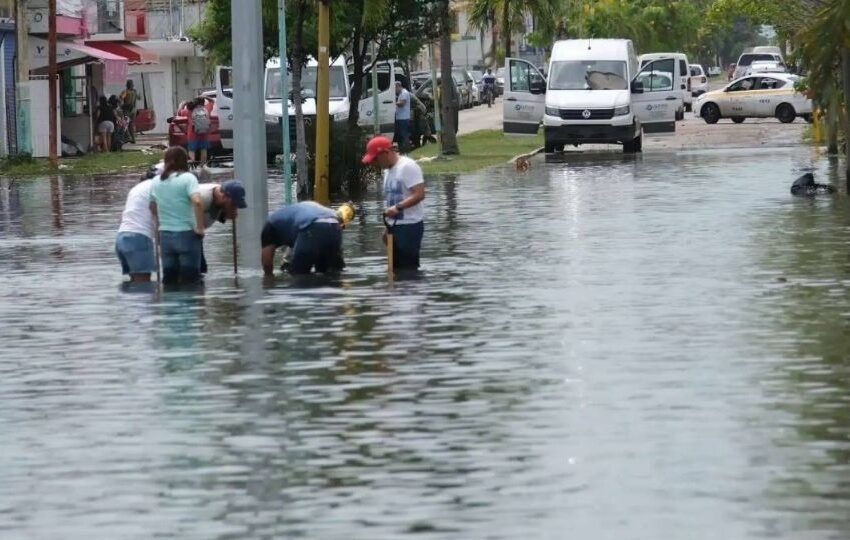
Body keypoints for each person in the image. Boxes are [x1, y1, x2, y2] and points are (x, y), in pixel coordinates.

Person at [361, 136, 425, 271]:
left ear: (385, 153)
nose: (374, 164)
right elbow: (392, 199)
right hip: (394, 227)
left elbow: (419, 194)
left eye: (375, 159)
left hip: (410, 226)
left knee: (409, 270)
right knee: (394, 269)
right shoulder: (387, 171)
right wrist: (388, 228)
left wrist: (398, 207)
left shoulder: (408, 166)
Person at [149, 146, 206, 285]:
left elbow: (152, 206)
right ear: (184, 161)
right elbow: (197, 202)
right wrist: (200, 227)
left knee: (169, 281)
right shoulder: (188, 178)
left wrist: (159, 226)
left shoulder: (156, 181)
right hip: (186, 234)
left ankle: (170, 306)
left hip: (166, 235)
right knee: (190, 281)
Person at [261, 202, 355, 277]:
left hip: (312, 226)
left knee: (300, 277)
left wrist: (268, 280)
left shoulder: (269, 227)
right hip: (335, 224)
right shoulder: (287, 220)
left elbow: (267, 262)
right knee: (332, 275)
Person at [195, 180, 247, 273]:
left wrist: (228, 213)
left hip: (198, 231)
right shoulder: (202, 197)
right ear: (223, 197)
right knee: (196, 268)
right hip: (184, 230)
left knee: (201, 269)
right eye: (233, 204)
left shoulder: (221, 197)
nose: (235, 207)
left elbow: (217, 213)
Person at [115, 177, 156, 282]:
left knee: (134, 285)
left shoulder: (137, 188)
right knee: (143, 287)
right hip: (139, 239)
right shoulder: (157, 187)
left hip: (122, 237)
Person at [188, 96, 211, 165]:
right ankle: (202, 165)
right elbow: (212, 101)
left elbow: (180, 112)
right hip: (204, 134)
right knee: (203, 149)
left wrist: (184, 104)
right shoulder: (207, 109)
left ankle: (192, 165)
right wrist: (205, 96)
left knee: (192, 150)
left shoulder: (190, 111)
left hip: (192, 135)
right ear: (203, 102)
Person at [393, 81, 411, 153]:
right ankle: (402, 150)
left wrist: (393, 103)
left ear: (398, 86)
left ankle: (406, 150)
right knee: (400, 135)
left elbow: (402, 104)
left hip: (403, 118)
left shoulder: (404, 93)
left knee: (404, 135)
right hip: (400, 117)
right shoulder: (401, 94)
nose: (395, 90)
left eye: (395, 88)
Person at [120, 79, 138, 143]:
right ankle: (133, 139)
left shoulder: (126, 91)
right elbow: (138, 98)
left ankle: (128, 137)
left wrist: (121, 104)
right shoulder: (135, 92)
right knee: (131, 124)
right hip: (134, 109)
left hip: (127, 110)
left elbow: (121, 97)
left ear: (127, 85)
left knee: (125, 124)